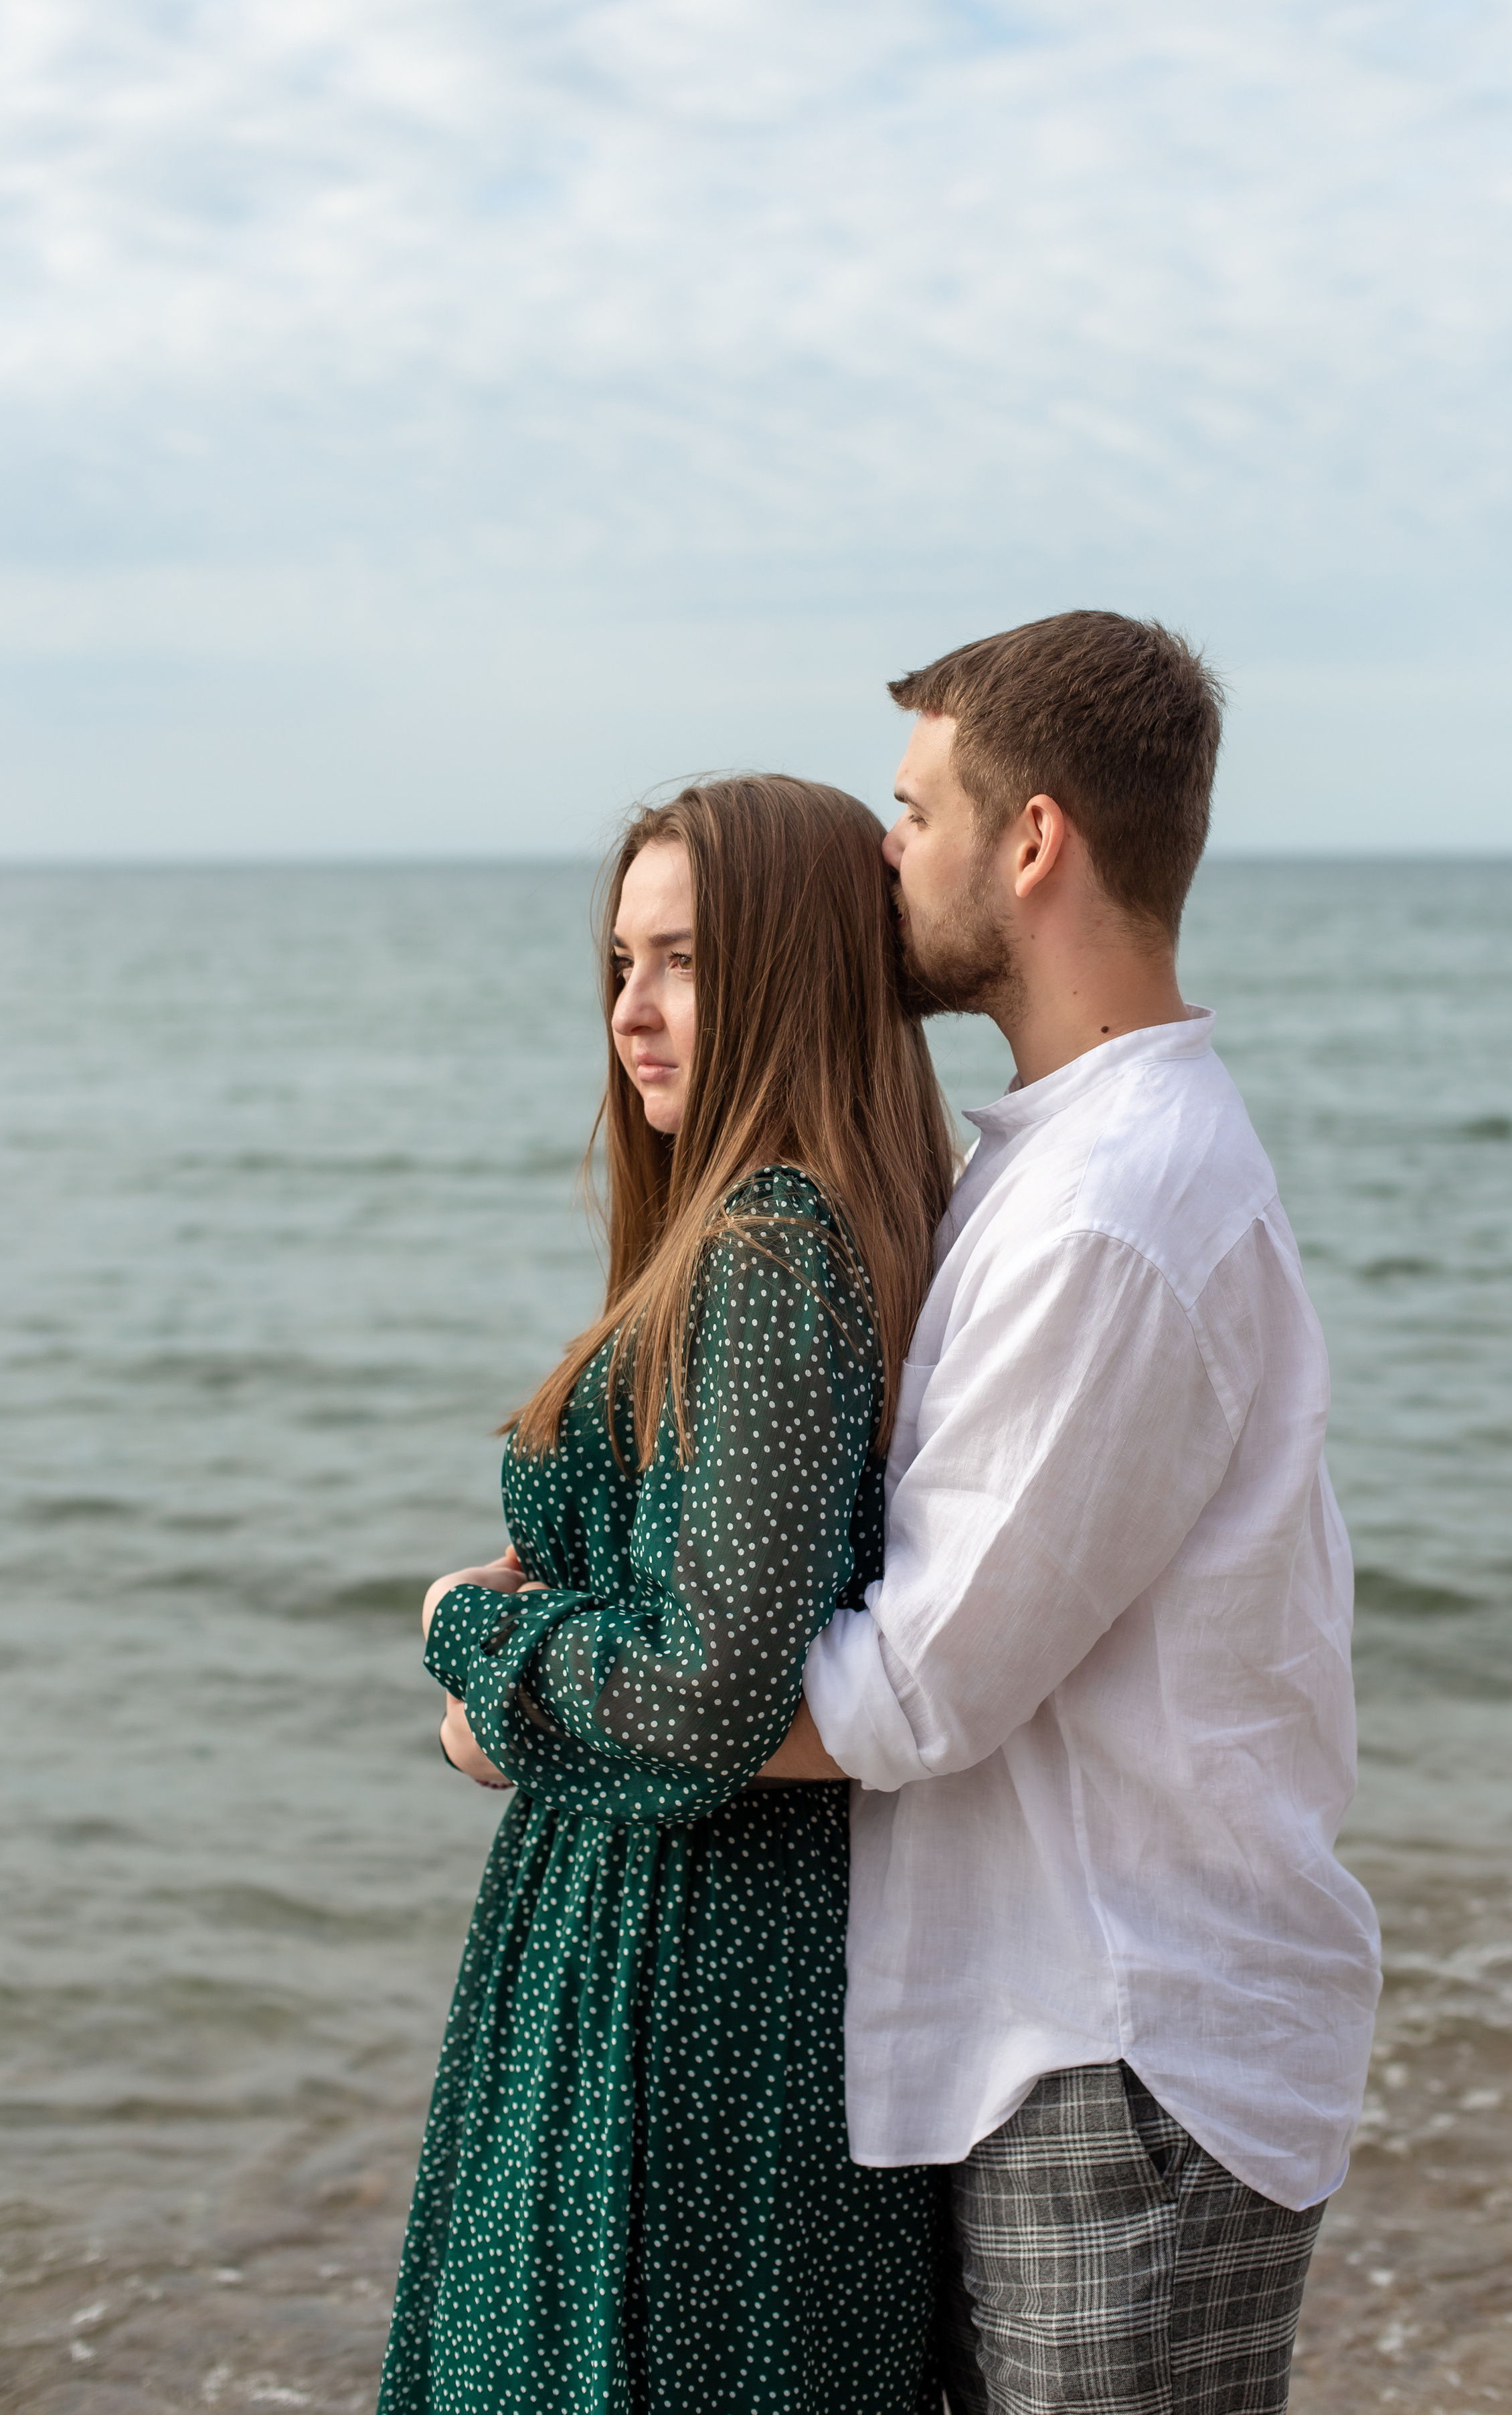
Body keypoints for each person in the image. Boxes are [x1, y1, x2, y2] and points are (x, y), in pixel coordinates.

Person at [769, 612, 1384, 2414]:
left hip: (1125, 2053)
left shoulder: (1112, 1206)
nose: (884, 855)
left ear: (1031, 840)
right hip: (1069, 2033)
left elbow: (914, 1693)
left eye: (913, 812)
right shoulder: (1060, 1160)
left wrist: (553, 1695)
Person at [377, 775, 956, 2415]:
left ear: (792, 976)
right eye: (621, 964)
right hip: (733, 1951)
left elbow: (704, 1689)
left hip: (679, 1972)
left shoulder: (766, 1250)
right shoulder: (836, 1225)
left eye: (686, 963)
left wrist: (467, 1638)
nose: (632, 1011)